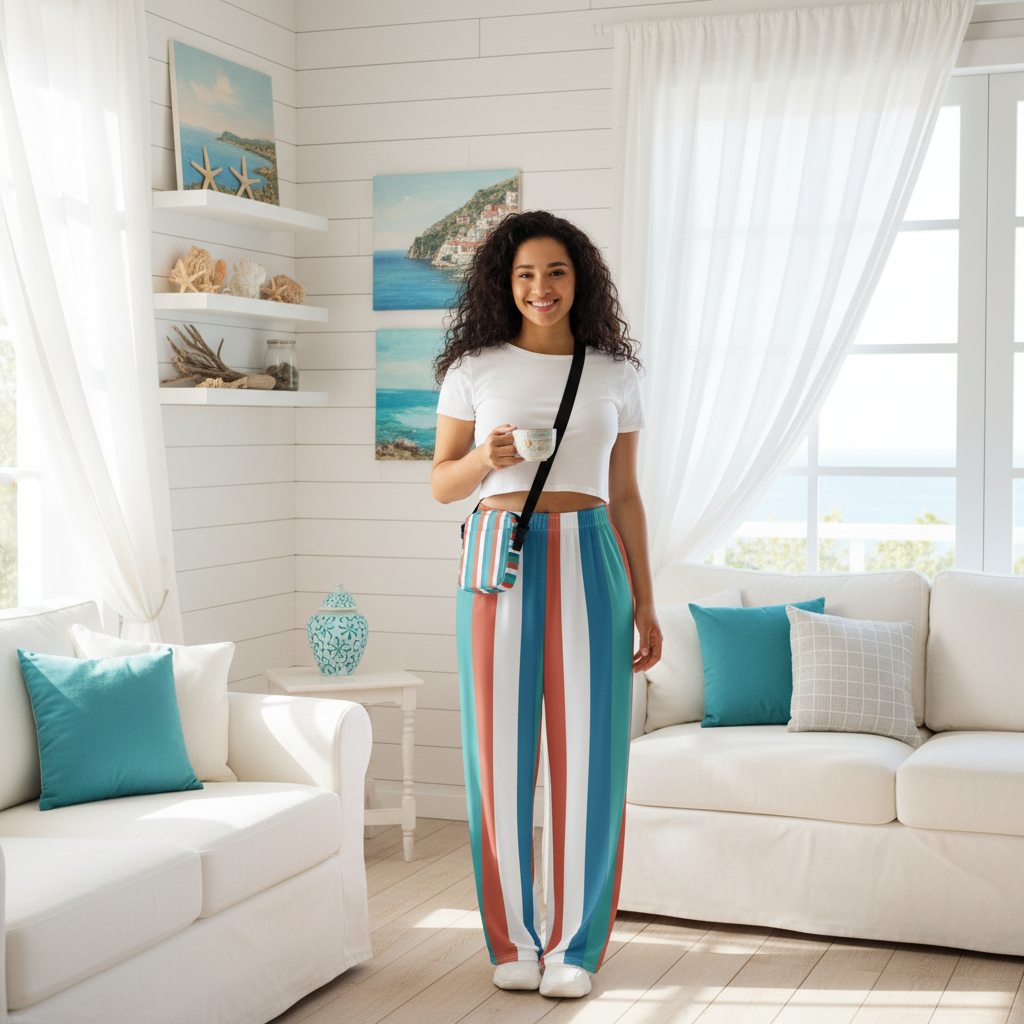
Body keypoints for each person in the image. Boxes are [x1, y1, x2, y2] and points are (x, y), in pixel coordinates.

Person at [430, 210, 662, 999]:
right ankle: (513, 939)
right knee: (498, 759)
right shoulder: (474, 368)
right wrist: (482, 459)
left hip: (593, 555)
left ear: (580, 279)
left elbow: (626, 495)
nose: (540, 288)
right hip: (499, 555)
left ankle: (575, 946)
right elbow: (440, 483)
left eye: (555, 273)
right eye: (525, 274)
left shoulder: (615, 374)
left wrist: (647, 604)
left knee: (591, 762)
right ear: (505, 281)